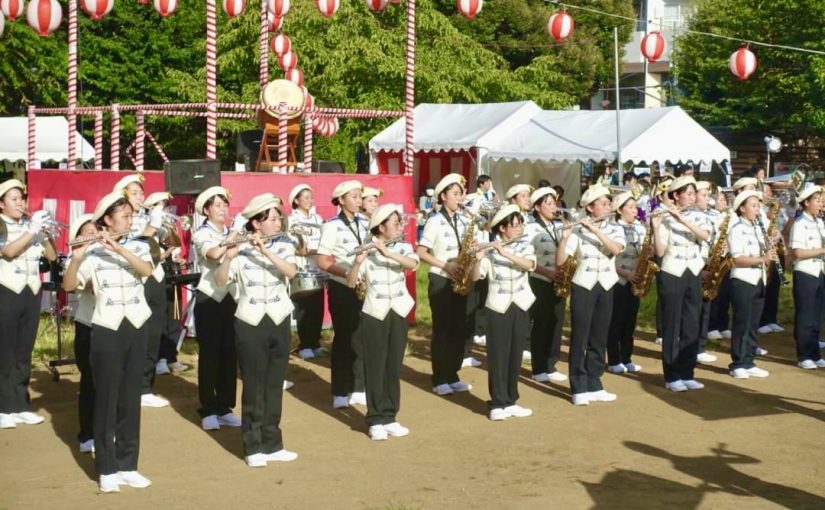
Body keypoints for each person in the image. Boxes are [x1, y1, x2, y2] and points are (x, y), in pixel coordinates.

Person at [62, 191, 155, 493]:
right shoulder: (89, 252)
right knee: (106, 398)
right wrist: (76, 258)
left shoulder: (140, 244)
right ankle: (106, 467)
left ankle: (129, 464)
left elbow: (146, 271)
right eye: (125, 215)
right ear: (107, 219)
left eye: (131, 214)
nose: (131, 219)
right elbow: (69, 286)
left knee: (131, 398)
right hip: (106, 328)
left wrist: (119, 249)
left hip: (137, 325)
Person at [215, 194, 299, 467]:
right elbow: (220, 281)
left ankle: (273, 442)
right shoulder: (237, 245)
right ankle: (253, 446)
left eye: (278, 218)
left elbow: (291, 272)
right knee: (254, 384)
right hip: (250, 320)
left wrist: (265, 251)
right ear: (256, 223)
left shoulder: (284, 243)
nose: (278, 223)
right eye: (272, 219)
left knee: (274, 383)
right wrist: (229, 257)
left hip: (278, 317)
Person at [347, 204, 418, 440]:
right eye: (395, 223)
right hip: (374, 313)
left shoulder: (403, 247)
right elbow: (350, 282)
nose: (400, 227)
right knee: (375, 366)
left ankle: (390, 415)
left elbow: (413, 264)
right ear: (381, 227)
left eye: (399, 222)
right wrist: (358, 262)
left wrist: (388, 253)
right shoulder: (366, 250)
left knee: (393, 365)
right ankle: (375, 418)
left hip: (397, 310)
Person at [556, 185, 625, 406]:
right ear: (590, 207)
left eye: (608, 204)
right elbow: (560, 261)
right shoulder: (577, 231)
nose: (608, 207)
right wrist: (565, 238)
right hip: (583, 285)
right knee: (580, 335)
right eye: (603, 204)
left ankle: (594, 381)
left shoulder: (615, 228)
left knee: (599, 335)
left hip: (606, 284)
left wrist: (595, 230)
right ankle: (578, 385)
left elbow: (615, 249)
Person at [0, 179, 57, 430]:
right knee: (5, 352)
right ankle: (3, 406)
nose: (20, 203)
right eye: (13, 199)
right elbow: (9, 252)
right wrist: (32, 231)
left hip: (31, 291)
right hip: (7, 291)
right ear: (1, 205)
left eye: (22, 198)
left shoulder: (31, 228)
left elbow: (53, 257)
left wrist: (45, 235)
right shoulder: (3, 227)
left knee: (24, 351)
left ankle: (21, 404)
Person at [471, 204, 536, 420]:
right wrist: (479, 258)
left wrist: (504, 252)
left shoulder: (525, 245)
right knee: (498, 354)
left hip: (520, 303)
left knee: (515, 353)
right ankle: (497, 402)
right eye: (514, 226)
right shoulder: (489, 251)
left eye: (520, 225)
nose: (519, 229)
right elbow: (475, 277)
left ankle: (511, 399)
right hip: (498, 306)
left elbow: (528, 265)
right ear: (502, 229)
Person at [113, 174, 170, 408]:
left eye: (141, 193)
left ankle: (145, 385)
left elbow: (159, 246)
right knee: (138, 335)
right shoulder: (121, 222)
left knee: (154, 333)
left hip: (155, 277)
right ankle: (133, 385)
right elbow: (136, 242)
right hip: (134, 283)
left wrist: (165, 228)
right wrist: (152, 225)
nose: (140, 197)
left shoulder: (147, 218)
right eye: (134, 193)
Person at [416, 174, 474, 396]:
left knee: (459, 329)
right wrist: (446, 266)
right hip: (441, 277)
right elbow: (421, 252)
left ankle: (453, 374)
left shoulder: (464, 219)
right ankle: (439, 376)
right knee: (443, 329)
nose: (460, 198)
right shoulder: (434, 221)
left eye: (461, 194)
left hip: (461, 278)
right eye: (455, 194)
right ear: (443, 196)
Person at [652, 176, 711, 392]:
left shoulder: (698, 216)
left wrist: (683, 220)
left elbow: (705, 236)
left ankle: (687, 372)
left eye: (694, 193)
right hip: (672, 272)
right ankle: (672, 374)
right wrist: (657, 227)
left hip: (693, 271)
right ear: (676, 195)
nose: (692, 197)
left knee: (692, 324)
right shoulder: (664, 217)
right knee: (672, 325)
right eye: (688, 193)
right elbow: (659, 251)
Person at [191, 186, 243, 431]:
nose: (223, 209)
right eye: (217, 206)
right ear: (206, 210)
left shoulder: (232, 231)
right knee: (210, 354)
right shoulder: (201, 233)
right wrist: (233, 238)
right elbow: (212, 254)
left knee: (228, 354)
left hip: (231, 297)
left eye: (225, 205)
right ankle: (208, 408)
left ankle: (224, 407)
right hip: (209, 298)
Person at [317, 180, 370, 408]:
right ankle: (340, 390)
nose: (359, 201)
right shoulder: (332, 226)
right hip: (342, 287)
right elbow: (322, 260)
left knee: (361, 338)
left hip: (364, 286)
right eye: (355, 196)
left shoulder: (366, 224)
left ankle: (359, 386)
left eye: (360, 196)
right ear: (341, 200)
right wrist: (347, 271)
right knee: (343, 338)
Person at [142, 191, 189, 376]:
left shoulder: (166, 226)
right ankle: (159, 358)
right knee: (160, 318)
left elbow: (174, 244)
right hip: (156, 274)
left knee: (175, 315)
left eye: (167, 206)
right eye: (163, 206)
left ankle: (171, 356)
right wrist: (167, 253)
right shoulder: (147, 227)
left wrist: (175, 255)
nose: (167, 210)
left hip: (172, 273)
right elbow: (154, 255)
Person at [523, 187, 567, 383]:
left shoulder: (558, 226)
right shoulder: (530, 228)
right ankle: (538, 367)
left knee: (556, 323)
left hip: (558, 281)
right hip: (539, 280)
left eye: (554, 202)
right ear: (537, 207)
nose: (553, 207)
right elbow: (528, 258)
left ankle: (551, 364)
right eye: (548, 203)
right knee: (541, 324)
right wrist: (548, 272)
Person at [727, 190, 772, 379]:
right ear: (742, 208)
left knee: (753, 323)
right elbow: (737, 259)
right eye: (753, 205)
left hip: (758, 279)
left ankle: (749, 360)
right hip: (743, 280)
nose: (757, 209)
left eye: (758, 205)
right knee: (742, 322)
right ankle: (737, 363)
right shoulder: (736, 229)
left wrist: (772, 245)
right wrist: (763, 258)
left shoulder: (758, 228)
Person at [66, 214, 98, 452]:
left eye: (96, 230)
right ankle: (87, 433)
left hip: (113, 328)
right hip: (88, 326)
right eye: (87, 232)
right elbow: (81, 286)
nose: (94, 235)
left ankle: (108, 431)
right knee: (90, 383)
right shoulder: (76, 260)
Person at [606, 191, 645, 374]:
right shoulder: (613, 229)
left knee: (630, 321)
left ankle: (627, 357)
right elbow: (608, 259)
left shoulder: (639, 228)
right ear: (619, 210)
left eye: (635, 207)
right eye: (630, 207)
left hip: (634, 280)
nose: (634, 211)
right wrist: (625, 274)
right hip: (617, 279)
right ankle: (614, 359)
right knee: (616, 321)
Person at [288, 184, 326, 361]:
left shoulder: (318, 219)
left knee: (317, 307)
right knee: (303, 307)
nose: (310, 201)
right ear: (296, 200)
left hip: (317, 268)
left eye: (311, 197)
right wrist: (313, 250)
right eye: (306, 197)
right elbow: (295, 248)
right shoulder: (291, 220)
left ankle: (315, 342)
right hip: (302, 268)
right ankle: (304, 344)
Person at [788, 185, 825, 369]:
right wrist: (822, 250)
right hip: (805, 273)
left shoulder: (819, 222)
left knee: (816, 315)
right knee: (805, 315)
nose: (821, 203)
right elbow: (798, 253)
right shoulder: (800, 224)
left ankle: (814, 353)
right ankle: (804, 356)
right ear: (807, 203)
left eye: (821, 200)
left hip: (819, 271)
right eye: (817, 200)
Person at [695, 181, 720, 364]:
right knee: (693, 312)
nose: (708, 199)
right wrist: (700, 270)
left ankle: (700, 346)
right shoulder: (693, 218)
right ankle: (693, 347)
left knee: (705, 308)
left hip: (709, 264)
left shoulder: (708, 216)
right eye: (704, 195)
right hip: (697, 268)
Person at [707, 188, 733, 341]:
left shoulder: (729, 216)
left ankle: (723, 324)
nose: (722, 202)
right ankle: (711, 325)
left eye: (724, 200)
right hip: (714, 257)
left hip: (727, 257)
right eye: (719, 200)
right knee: (714, 293)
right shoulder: (710, 216)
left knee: (726, 293)